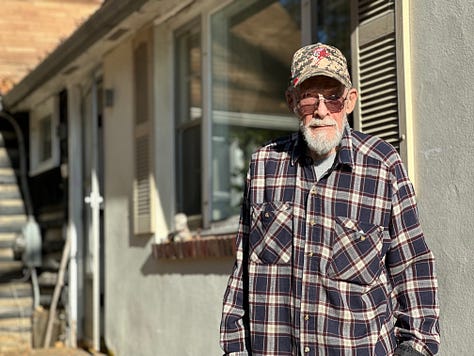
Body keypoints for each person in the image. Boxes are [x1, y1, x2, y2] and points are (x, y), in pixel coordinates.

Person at [220, 43, 440, 355]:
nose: (321, 110)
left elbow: (412, 264)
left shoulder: (383, 165)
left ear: (350, 101)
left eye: (332, 97)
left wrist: (416, 347)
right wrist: (234, 346)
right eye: (310, 96)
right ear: (292, 101)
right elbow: (243, 265)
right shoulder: (264, 167)